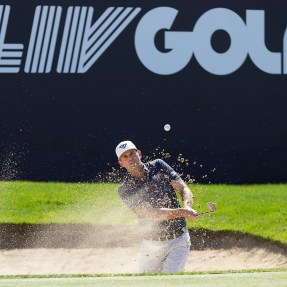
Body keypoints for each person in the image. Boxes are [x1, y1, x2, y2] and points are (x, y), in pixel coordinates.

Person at [115, 140, 198, 273]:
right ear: (121, 163)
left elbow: (183, 188)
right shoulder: (125, 189)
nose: (130, 158)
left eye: (132, 153)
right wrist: (182, 212)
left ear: (139, 154)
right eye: (125, 156)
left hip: (179, 240)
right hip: (151, 245)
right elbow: (150, 213)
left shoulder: (158, 165)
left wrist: (187, 207)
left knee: (171, 282)